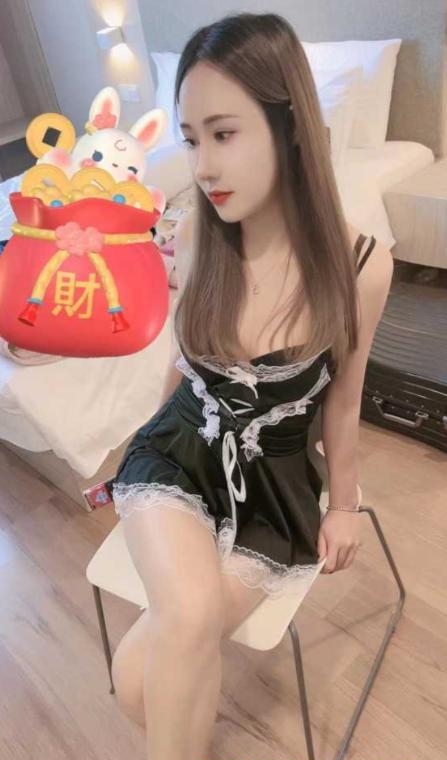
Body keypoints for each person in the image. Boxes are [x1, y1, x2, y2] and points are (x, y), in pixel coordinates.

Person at [109, 11, 394, 760]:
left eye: (224, 133)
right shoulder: (194, 237)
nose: (202, 166)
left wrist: (344, 505)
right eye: (190, 138)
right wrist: (135, 452)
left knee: (140, 681)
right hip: (177, 456)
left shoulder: (362, 266)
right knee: (175, 635)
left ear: (289, 126)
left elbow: (343, 398)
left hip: (272, 489)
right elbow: (183, 367)